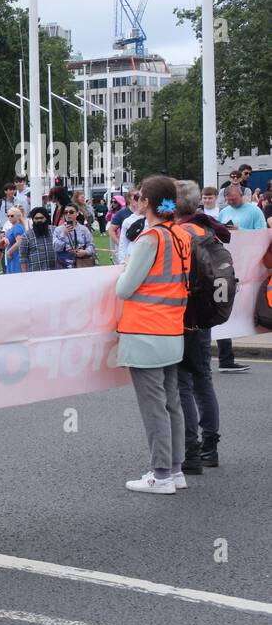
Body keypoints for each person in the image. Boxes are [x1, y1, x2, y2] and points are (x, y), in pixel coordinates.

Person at [116, 175, 191, 494]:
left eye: (138, 196)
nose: (136, 200)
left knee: (154, 407)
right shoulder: (180, 234)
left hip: (145, 330)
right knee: (171, 402)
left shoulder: (150, 239)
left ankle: (160, 475)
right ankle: (175, 471)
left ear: (146, 202)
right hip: (172, 328)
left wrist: (127, 265)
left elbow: (124, 288)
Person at [172, 180, 225, 474]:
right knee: (203, 378)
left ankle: (190, 451)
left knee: (182, 383)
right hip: (204, 315)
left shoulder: (178, 233)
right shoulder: (208, 230)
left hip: (181, 316)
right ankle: (211, 446)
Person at [215, 182, 268, 374]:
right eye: (228, 199)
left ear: (242, 195)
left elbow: (263, 235)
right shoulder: (224, 212)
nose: (230, 201)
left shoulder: (253, 212)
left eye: (233, 198)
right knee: (224, 310)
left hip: (249, 266)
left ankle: (226, 358)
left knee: (244, 307)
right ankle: (225, 358)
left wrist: (240, 231)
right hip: (230, 266)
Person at [19, 207, 59, 272]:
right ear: (33, 219)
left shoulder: (55, 231)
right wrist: (25, 275)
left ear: (46, 218)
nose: (39, 220)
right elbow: (23, 257)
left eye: (42, 218)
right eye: (36, 218)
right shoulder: (26, 236)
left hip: (56, 271)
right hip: (36, 274)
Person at [2, 207, 26, 274]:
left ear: (18, 216)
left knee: (16, 277)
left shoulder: (17, 227)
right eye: (8, 216)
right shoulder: (14, 226)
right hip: (12, 256)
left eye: (12, 216)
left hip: (16, 256)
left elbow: (19, 242)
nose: (9, 217)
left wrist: (9, 252)